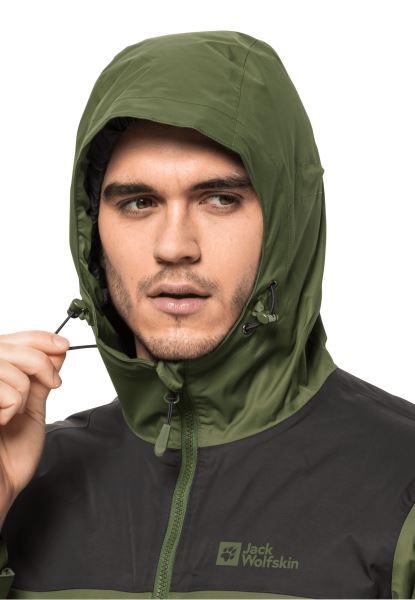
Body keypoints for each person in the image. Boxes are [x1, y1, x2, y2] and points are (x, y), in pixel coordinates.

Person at [0, 30, 414, 600]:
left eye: (220, 199)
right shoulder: (25, 481)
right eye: (138, 202)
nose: (174, 246)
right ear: (94, 231)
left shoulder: (402, 480)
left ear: (287, 222)